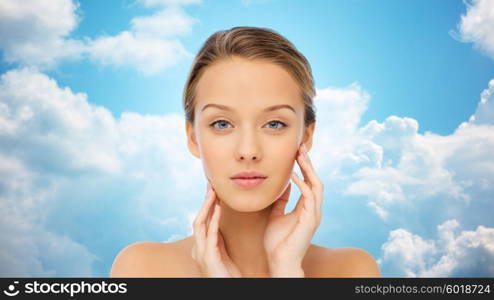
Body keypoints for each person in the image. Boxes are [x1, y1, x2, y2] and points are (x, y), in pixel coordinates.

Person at [110, 26, 381, 278]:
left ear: (306, 136)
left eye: (274, 124)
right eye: (222, 124)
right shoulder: (143, 268)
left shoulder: (351, 270)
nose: (248, 151)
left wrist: (286, 271)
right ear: (193, 137)